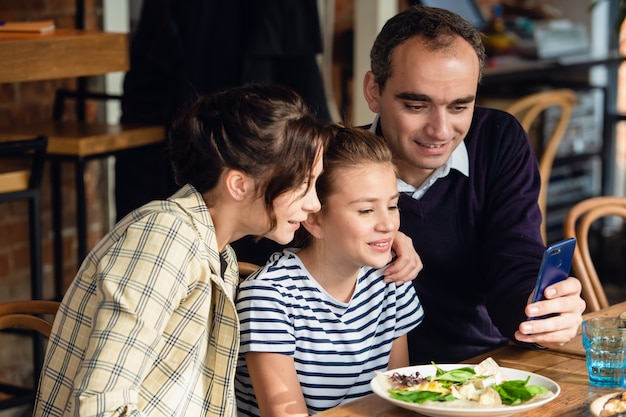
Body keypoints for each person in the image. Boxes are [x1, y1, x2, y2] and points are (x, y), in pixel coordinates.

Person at [33, 84, 334, 417]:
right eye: (303, 184)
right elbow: (100, 405)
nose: (314, 203)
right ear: (238, 184)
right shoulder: (164, 237)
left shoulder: (220, 255)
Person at [361, 5, 586, 364]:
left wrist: (538, 311)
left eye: (459, 107)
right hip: (362, 382)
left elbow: (515, 256)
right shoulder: (334, 163)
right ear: (374, 91)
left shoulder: (497, 139)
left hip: (483, 365)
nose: (440, 130)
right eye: (417, 106)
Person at [234, 125, 424, 416]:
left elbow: (402, 398)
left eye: (393, 206)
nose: (387, 224)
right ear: (314, 219)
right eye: (366, 210)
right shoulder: (269, 298)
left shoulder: (391, 278)